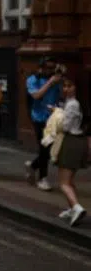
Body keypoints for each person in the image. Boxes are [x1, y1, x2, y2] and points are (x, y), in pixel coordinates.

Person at [25, 57, 64, 190]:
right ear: (40, 68)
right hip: (39, 118)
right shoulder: (32, 80)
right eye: (48, 67)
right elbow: (36, 95)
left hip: (53, 118)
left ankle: (33, 165)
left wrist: (60, 79)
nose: (50, 71)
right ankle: (43, 178)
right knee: (44, 147)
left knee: (50, 150)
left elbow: (62, 95)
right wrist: (50, 83)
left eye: (52, 68)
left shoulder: (56, 80)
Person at [53, 78, 86, 227]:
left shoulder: (72, 104)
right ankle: (71, 208)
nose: (66, 89)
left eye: (69, 86)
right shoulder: (72, 103)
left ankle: (77, 208)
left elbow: (65, 126)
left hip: (71, 142)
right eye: (64, 86)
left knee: (64, 183)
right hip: (76, 141)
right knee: (70, 181)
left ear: (75, 88)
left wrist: (56, 115)